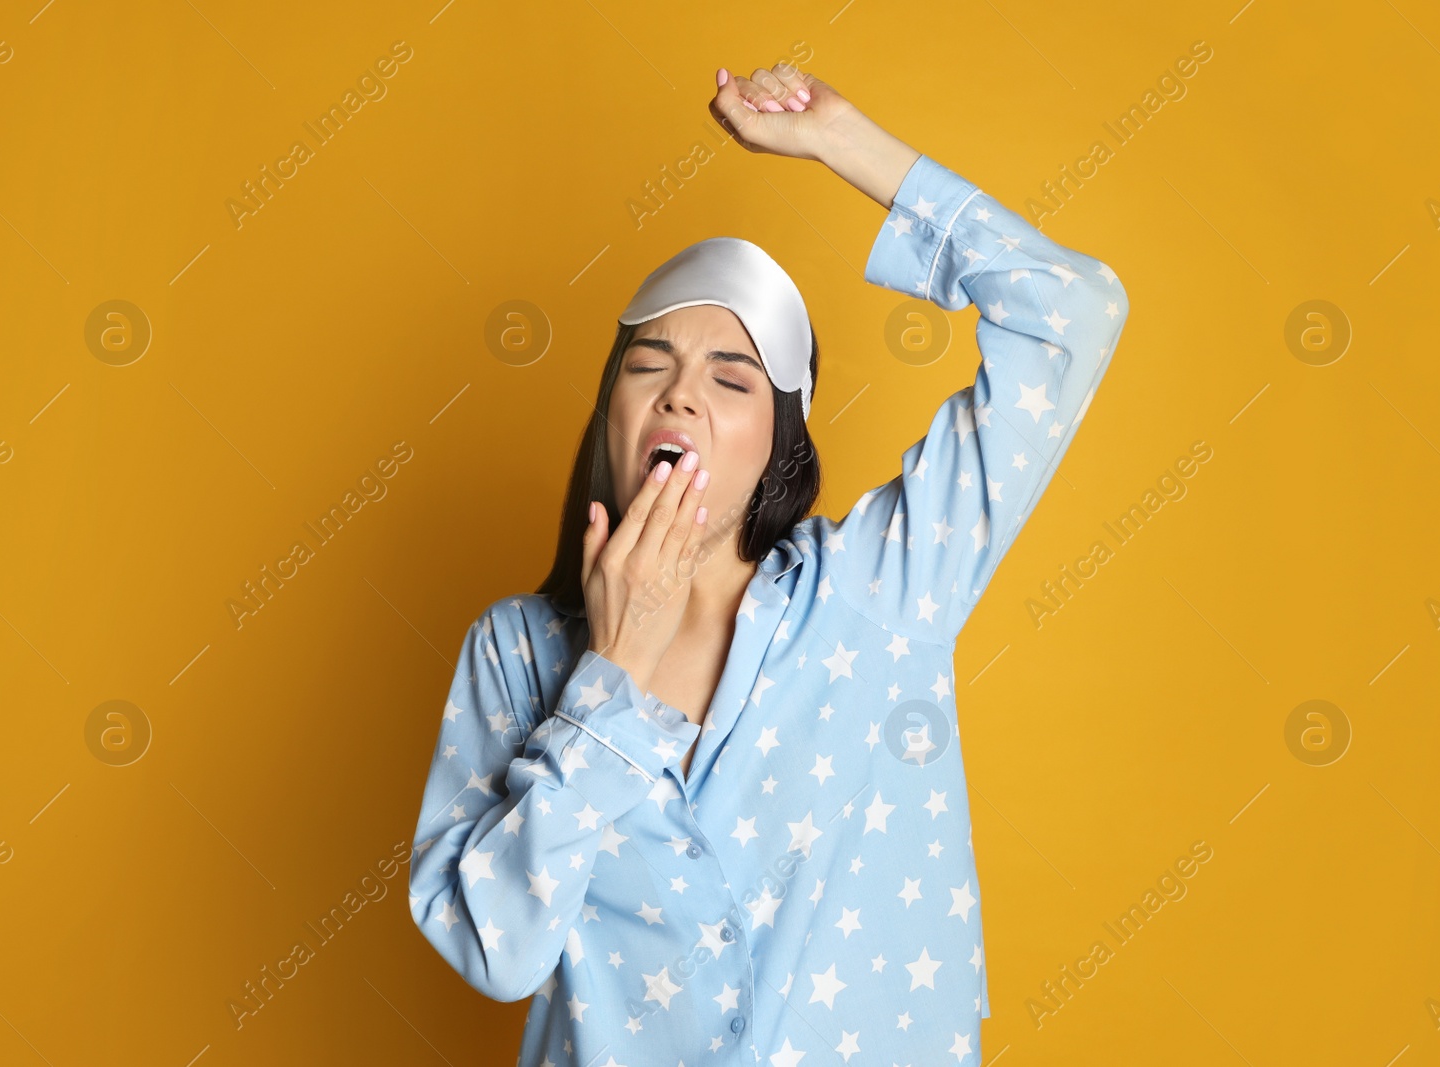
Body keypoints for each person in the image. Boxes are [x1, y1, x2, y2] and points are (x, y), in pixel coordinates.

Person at [408, 62, 1130, 1066]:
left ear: (779, 445)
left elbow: (1072, 312)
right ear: (611, 417)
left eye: (731, 376)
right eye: (646, 366)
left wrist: (844, 143)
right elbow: (495, 945)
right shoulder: (516, 651)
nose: (680, 397)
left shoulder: (879, 592)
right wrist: (605, 681)